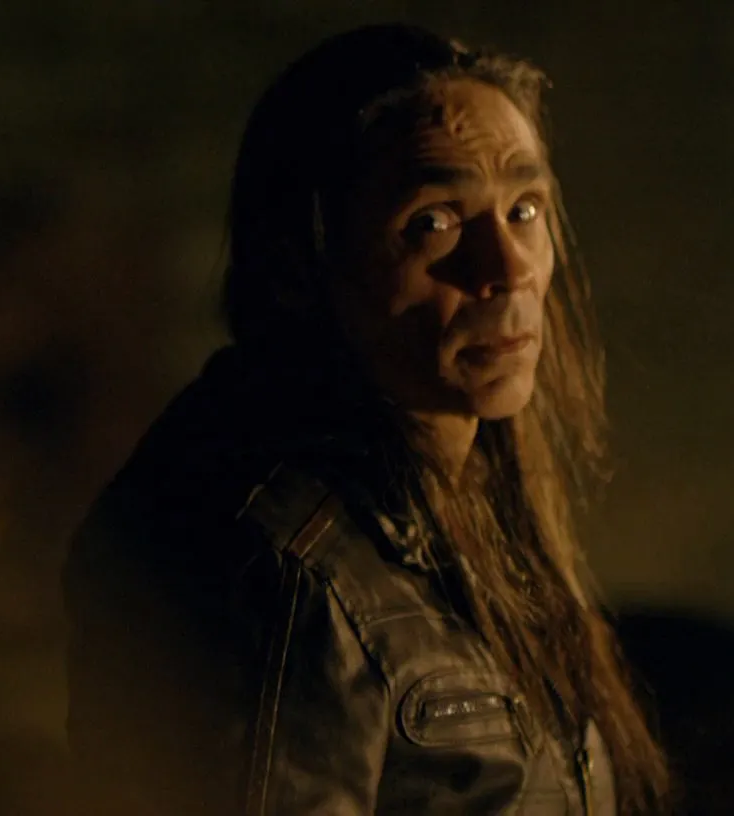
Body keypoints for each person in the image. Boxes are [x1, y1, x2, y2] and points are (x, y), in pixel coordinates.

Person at [62, 23, 670, 815]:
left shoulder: (462, 508)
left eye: (524, 209)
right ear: (300, 261)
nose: (508, 267)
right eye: (434, 222)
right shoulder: (278, 564)